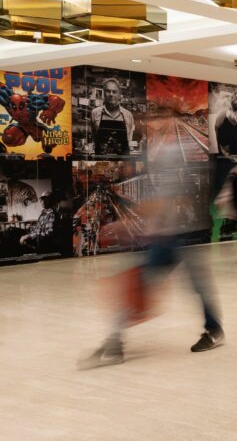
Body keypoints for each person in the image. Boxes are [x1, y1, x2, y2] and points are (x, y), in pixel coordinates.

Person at [80, 134, 224, 368]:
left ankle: (115, 342)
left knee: (144, 284)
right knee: (183, 284)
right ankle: (214, 329)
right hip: (171, 234)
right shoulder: (164, 153)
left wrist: (126, 222)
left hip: (177, 235)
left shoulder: (172, 154)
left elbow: (167, 200)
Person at [90, 77, 135, 156]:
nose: (111, 94)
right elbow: (94, 138)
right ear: (104, 93)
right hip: (101, 162)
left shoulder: (128, 115)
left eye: (114, 92)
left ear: (119, 94)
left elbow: (129, 139)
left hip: (123, 163)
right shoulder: (95, 113)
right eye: (108, 91)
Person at [214, 92, 237, 157]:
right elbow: (221, 145)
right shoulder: (221, 121)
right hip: (225, 142)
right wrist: (226, 155)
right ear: (230, 109)